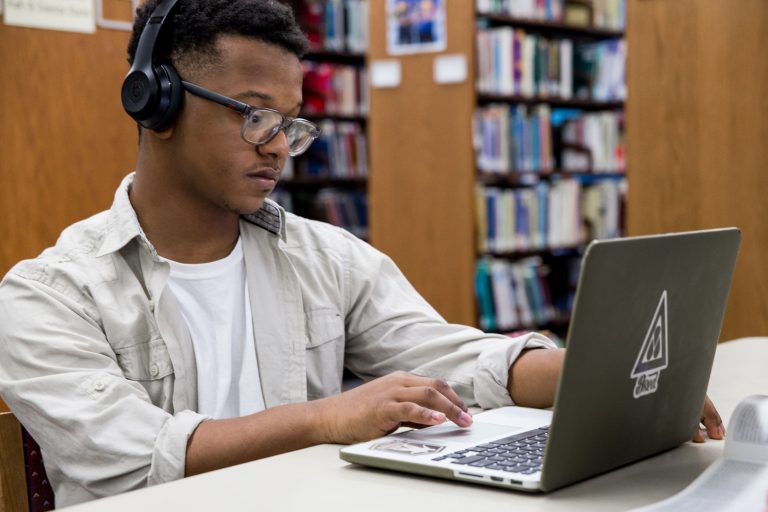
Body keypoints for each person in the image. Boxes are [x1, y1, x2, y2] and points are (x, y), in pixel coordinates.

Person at [0, 0, 723, 507]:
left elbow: (452, 361)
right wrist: (328, 417)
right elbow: (136, 452)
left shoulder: (328, 257)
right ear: (154, 103)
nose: (280, 146)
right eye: (255, 116)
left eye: (290, 123)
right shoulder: (46, 295)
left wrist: (604, 374)